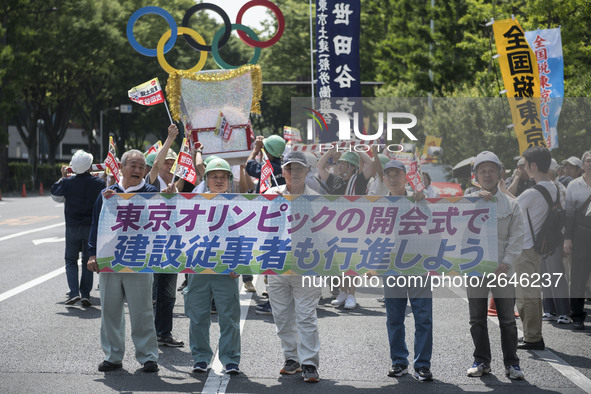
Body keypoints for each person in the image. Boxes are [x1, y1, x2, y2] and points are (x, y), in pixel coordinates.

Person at [87, 149, 160, 373]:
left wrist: (169, 196)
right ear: (121, 167)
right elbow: (96, 225)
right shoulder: (107, 194)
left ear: (146, 170)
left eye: (141, 166)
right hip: (110, 259)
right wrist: (92, 254)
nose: (137, 170)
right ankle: (112, 355)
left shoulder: (151, 193)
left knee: (143, 310)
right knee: (110, 309)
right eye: (133, 165)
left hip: (140, 260)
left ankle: (148, 356)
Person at [465, 151, 525, 380]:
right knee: (476, 319)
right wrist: (475, 204)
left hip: (503, 270)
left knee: (508, 320)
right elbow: (456, 232)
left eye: (491, 170)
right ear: (476, 175)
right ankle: (481, 361)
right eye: (483, 171)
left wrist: (507, 263)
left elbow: (517, 237)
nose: (487, 174)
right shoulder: (467, 201)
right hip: (475, 269)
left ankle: (512, 363)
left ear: (500, 173)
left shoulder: (511, 203)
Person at [264, 151, 322, 383]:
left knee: (306, 316)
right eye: (289, 168)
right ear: (282, 171)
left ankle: (309, 363)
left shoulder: (318, 200)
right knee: (281, 315)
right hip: (277, 266)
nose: (294, 172)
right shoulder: (270, 195)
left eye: (299, 168)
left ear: (307, 171)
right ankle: (291, 358)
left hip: (308, 268)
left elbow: (328, 236)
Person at [184, 158, 241, 375]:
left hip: (227, 269)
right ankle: (200, 357)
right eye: (214, 176)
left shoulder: (240, 204)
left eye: (223, 177)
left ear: (229, 180)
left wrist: (240, 263)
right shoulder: (193, 202)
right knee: (198, 316)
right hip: (198, 268)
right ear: (206, 179)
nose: (219, 180)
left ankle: (231, 360)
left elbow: (245, 237)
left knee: (230, 317)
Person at [381, 159, 433, 382]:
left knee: (423, 318)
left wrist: (422, 203)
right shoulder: (376, 203)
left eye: (397, 174)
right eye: (389, 174)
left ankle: (422, 365)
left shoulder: (418, 199)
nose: (393, 178)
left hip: (418, 265)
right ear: (384, 179)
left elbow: (434, 225)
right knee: (394, 318)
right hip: (390, 267)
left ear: (405, 177)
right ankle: (399, 361)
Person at [317, 147, 377, 309]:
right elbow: (320, 167)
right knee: (341, 262)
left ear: (352, 167)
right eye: (339, 163)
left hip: (355, 226)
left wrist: (357, 149)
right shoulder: (335, 180)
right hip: (336, 226)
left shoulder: (358, 180)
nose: (339, 166)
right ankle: (343, 292)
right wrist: (330, 150)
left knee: (352, 261)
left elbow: (370, 165)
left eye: (343, 163)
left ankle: (351, 294)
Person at [143, 124, 184, 348]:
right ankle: (149, 333)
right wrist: (169, 138)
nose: (169, 165)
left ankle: (163, 333)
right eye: (166, 161)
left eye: (172, 161)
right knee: (152, 293)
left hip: (173, 243)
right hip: (152, 244)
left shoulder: (177, 183)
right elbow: (157, 164)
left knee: (168, 293)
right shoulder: (152, 182)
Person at [514, 146, 557, 350]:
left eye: (525, 165)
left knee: (526, 295)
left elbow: (511, 206)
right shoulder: (553, 187)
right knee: (532, 292)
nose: (524, 169)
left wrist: (510, 183)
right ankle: (533, 334)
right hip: (538, 246)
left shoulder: (533, 192)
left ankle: (533, 337)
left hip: (526, 247)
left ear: (533, 165)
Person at [51, 150, 105, 306]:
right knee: (88, 260)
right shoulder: (99, 183)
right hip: (91, 226)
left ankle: (74, 292)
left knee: (70, 260)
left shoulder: (68, 182)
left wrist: (63, 176)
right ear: (90, 166)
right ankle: (86, 294)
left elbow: (55, 193)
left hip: (72, 226)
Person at [541, 159, 571, 324]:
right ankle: (550, 309)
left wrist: (567, 238)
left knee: (557, 274)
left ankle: (564, 311)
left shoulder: (559, 188)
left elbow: (566, 215)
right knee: (544, 273)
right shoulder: (542, 187)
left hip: (555, 237)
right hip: (542, 237)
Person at [564, 150, 591, 330]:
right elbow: (569, 214)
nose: (590, 163)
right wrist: (567, 238)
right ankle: (578, 315)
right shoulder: (574, 185)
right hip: (581, 234)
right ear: (582, 165)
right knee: (578, 276)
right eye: (588, 161)